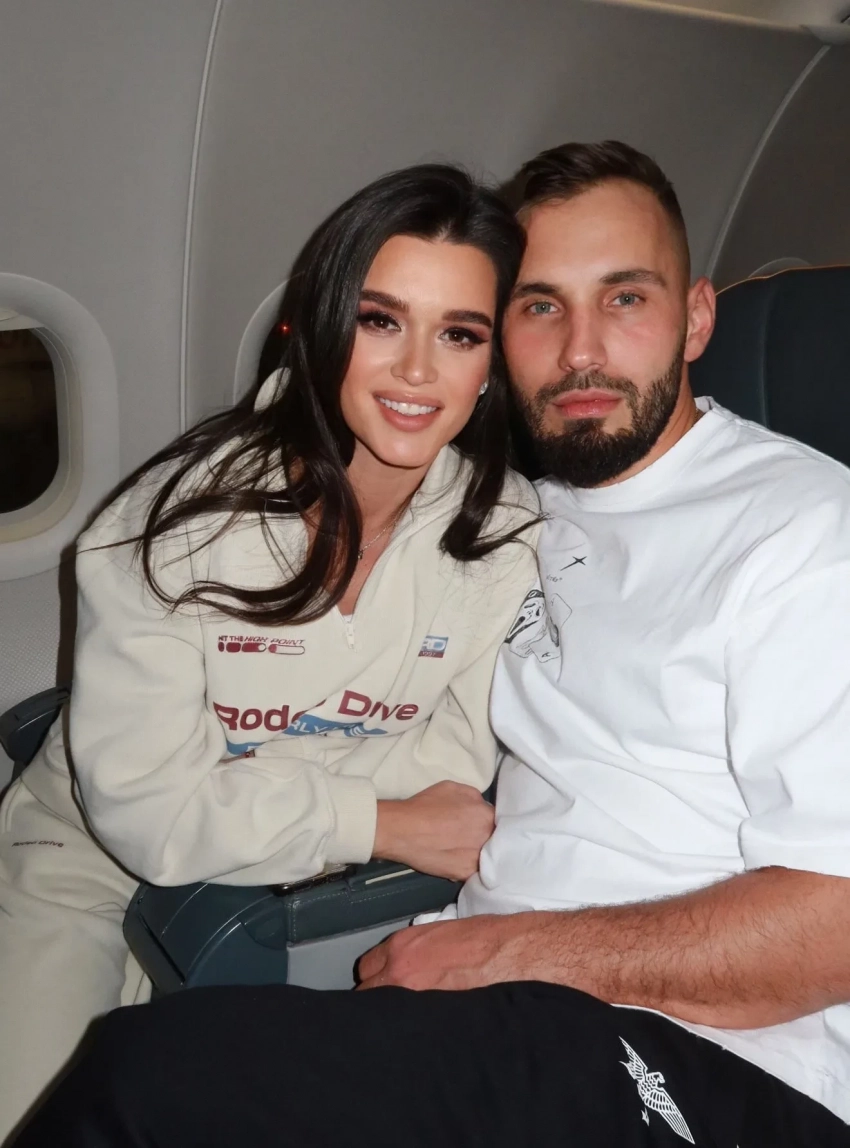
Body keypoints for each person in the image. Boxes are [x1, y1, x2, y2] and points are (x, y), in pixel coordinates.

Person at [15, 140, 850, 1148]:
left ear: (698, 318)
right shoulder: (530, 514)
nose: (580, 350)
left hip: (704, 1054)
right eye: (540, 306)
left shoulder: (801, 532)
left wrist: (508, 950)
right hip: (487, 1000)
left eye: (625, 298)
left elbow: (835, 923)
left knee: (148, 1076)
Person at [0, 164, 541, 1143]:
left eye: (459, 333)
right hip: (89, 854)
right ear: (325, 323)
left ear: (490, 362)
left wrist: (230, 798)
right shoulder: (170, 530)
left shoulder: (503, 533)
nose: (418, 370)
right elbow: (147, 813)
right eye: (381, 320)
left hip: (294, 884)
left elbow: (455, 768)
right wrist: (374, 817)